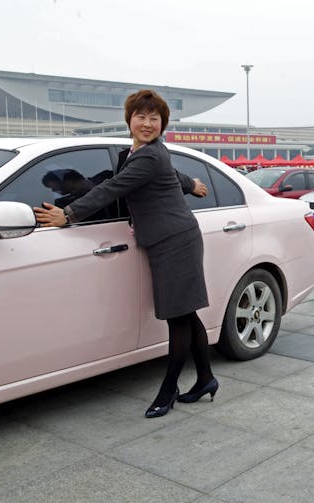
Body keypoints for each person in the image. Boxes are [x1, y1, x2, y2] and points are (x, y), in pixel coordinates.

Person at [34, 89, 218, 419]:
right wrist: (191, 183)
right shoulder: (138, 152)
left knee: (177, 318)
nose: (147, 123)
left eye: (154, 118)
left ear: (163, 124)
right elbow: (169, 175)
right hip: (169, 239)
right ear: (129, 120)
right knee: (186, 314)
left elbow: (113, 188)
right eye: (140, 116)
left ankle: (168, 389)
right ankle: (205, 378)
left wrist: (69, 214)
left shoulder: (149, 155)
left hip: (175, 241)